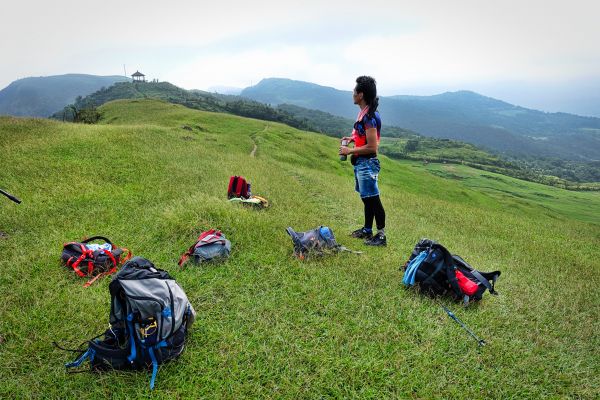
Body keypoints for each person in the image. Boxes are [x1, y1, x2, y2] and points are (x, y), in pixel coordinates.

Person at [340, 76, 386, 246]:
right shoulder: (364, 113)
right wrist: (352, 139)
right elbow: (363, 138)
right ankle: (367, 230)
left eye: (354, 91)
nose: (352, 94)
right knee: (367, 198)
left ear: (361, 95)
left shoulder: (369, 118)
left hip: (367, 163)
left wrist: (349, 150)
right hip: (361, 163)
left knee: (374, 199)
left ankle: (381, 236)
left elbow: (373, 147)